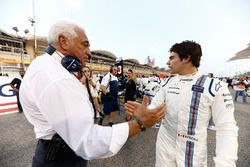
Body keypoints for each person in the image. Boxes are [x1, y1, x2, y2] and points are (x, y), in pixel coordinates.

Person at [19, 21, 165, 167]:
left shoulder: (44, 64)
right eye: (85, 44)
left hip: (57, 149)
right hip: (62, 157)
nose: (89, 52)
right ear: (63, 42)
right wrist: (140, 123)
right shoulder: (57, 78)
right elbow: (88, 140)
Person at [125, 40, 238, 167]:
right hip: (164, 152)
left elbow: (226, 128)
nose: (168, 62)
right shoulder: (167, 83)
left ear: (186, 58)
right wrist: (146, 112)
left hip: (194, 157)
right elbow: (153, 107)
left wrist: (225, 163)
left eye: (172, 58)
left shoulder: (215, 87)